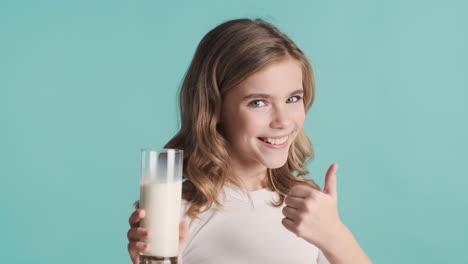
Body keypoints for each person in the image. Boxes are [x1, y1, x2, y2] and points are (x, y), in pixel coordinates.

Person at [127, 18, 372, 264]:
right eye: (258, 102)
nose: (283, 121)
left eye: (293, 99)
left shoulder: (306, 206)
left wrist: (336, 236)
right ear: (214, 108)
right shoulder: (176, 213)